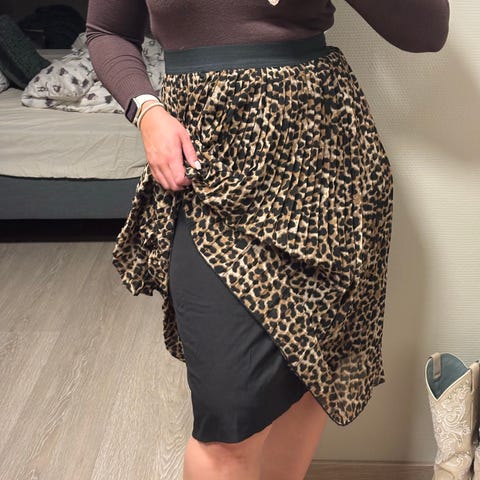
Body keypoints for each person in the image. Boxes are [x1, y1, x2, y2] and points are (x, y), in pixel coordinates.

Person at [85, 1, 450, 479]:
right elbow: (106, 31)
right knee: (228, 417)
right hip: (209, 168)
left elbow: (427, 30)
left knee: (311, 373)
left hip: (326, 167)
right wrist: (147, 110)